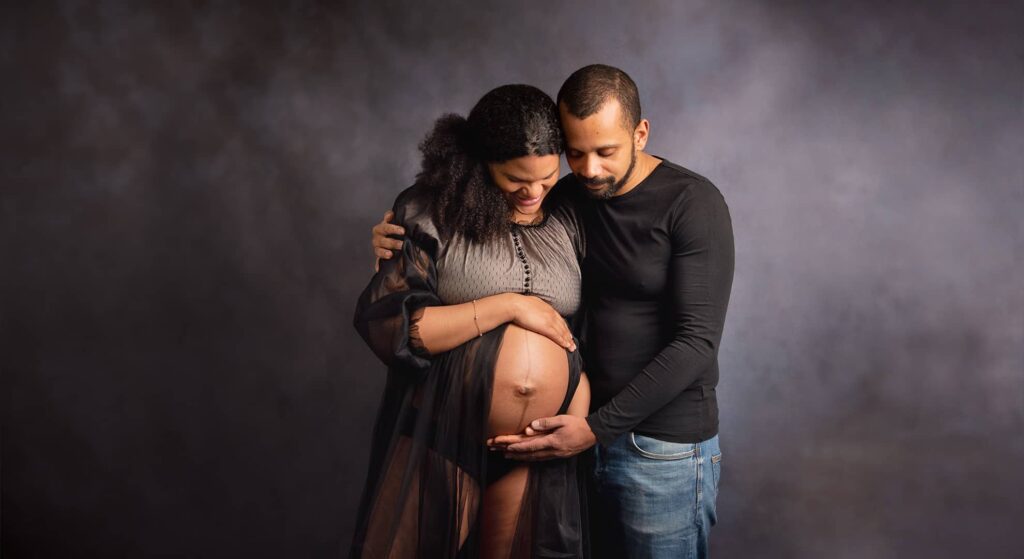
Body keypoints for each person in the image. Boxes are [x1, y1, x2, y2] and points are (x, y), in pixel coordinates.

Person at [373, 65, 734, 558]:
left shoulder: (688, 203)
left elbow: (697, 341)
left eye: (605, 152)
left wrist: (592, 427)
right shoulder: (560, 198)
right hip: (547, 441)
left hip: (650, 445)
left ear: (640, 132)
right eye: (577, 153)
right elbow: (433, 276)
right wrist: (396, 240)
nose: (588, 169)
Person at [352, 84, 591, 559]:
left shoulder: (570, 216)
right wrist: (507, 305)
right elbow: (396, 328)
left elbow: (593, 324)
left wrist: (579, 399)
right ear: (480, 162)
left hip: (536, 447)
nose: (534, 191)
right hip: (442, 430)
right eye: (516, 179)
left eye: (546, 177)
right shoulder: (430, 210)